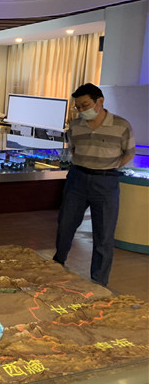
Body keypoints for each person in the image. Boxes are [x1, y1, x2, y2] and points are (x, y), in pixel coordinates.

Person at [54, 83, 135, 286]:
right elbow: (74, 150)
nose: (82, 110)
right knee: (65, 225)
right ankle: (57, 265)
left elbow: (128, 153)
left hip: (106, 182)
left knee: (104, 234)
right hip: (77, 179)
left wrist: (108, 167)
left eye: (85, 105)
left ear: (100, 101)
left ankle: (99, 282)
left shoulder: (121, 125)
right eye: (78, 107)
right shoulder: (75, 126)